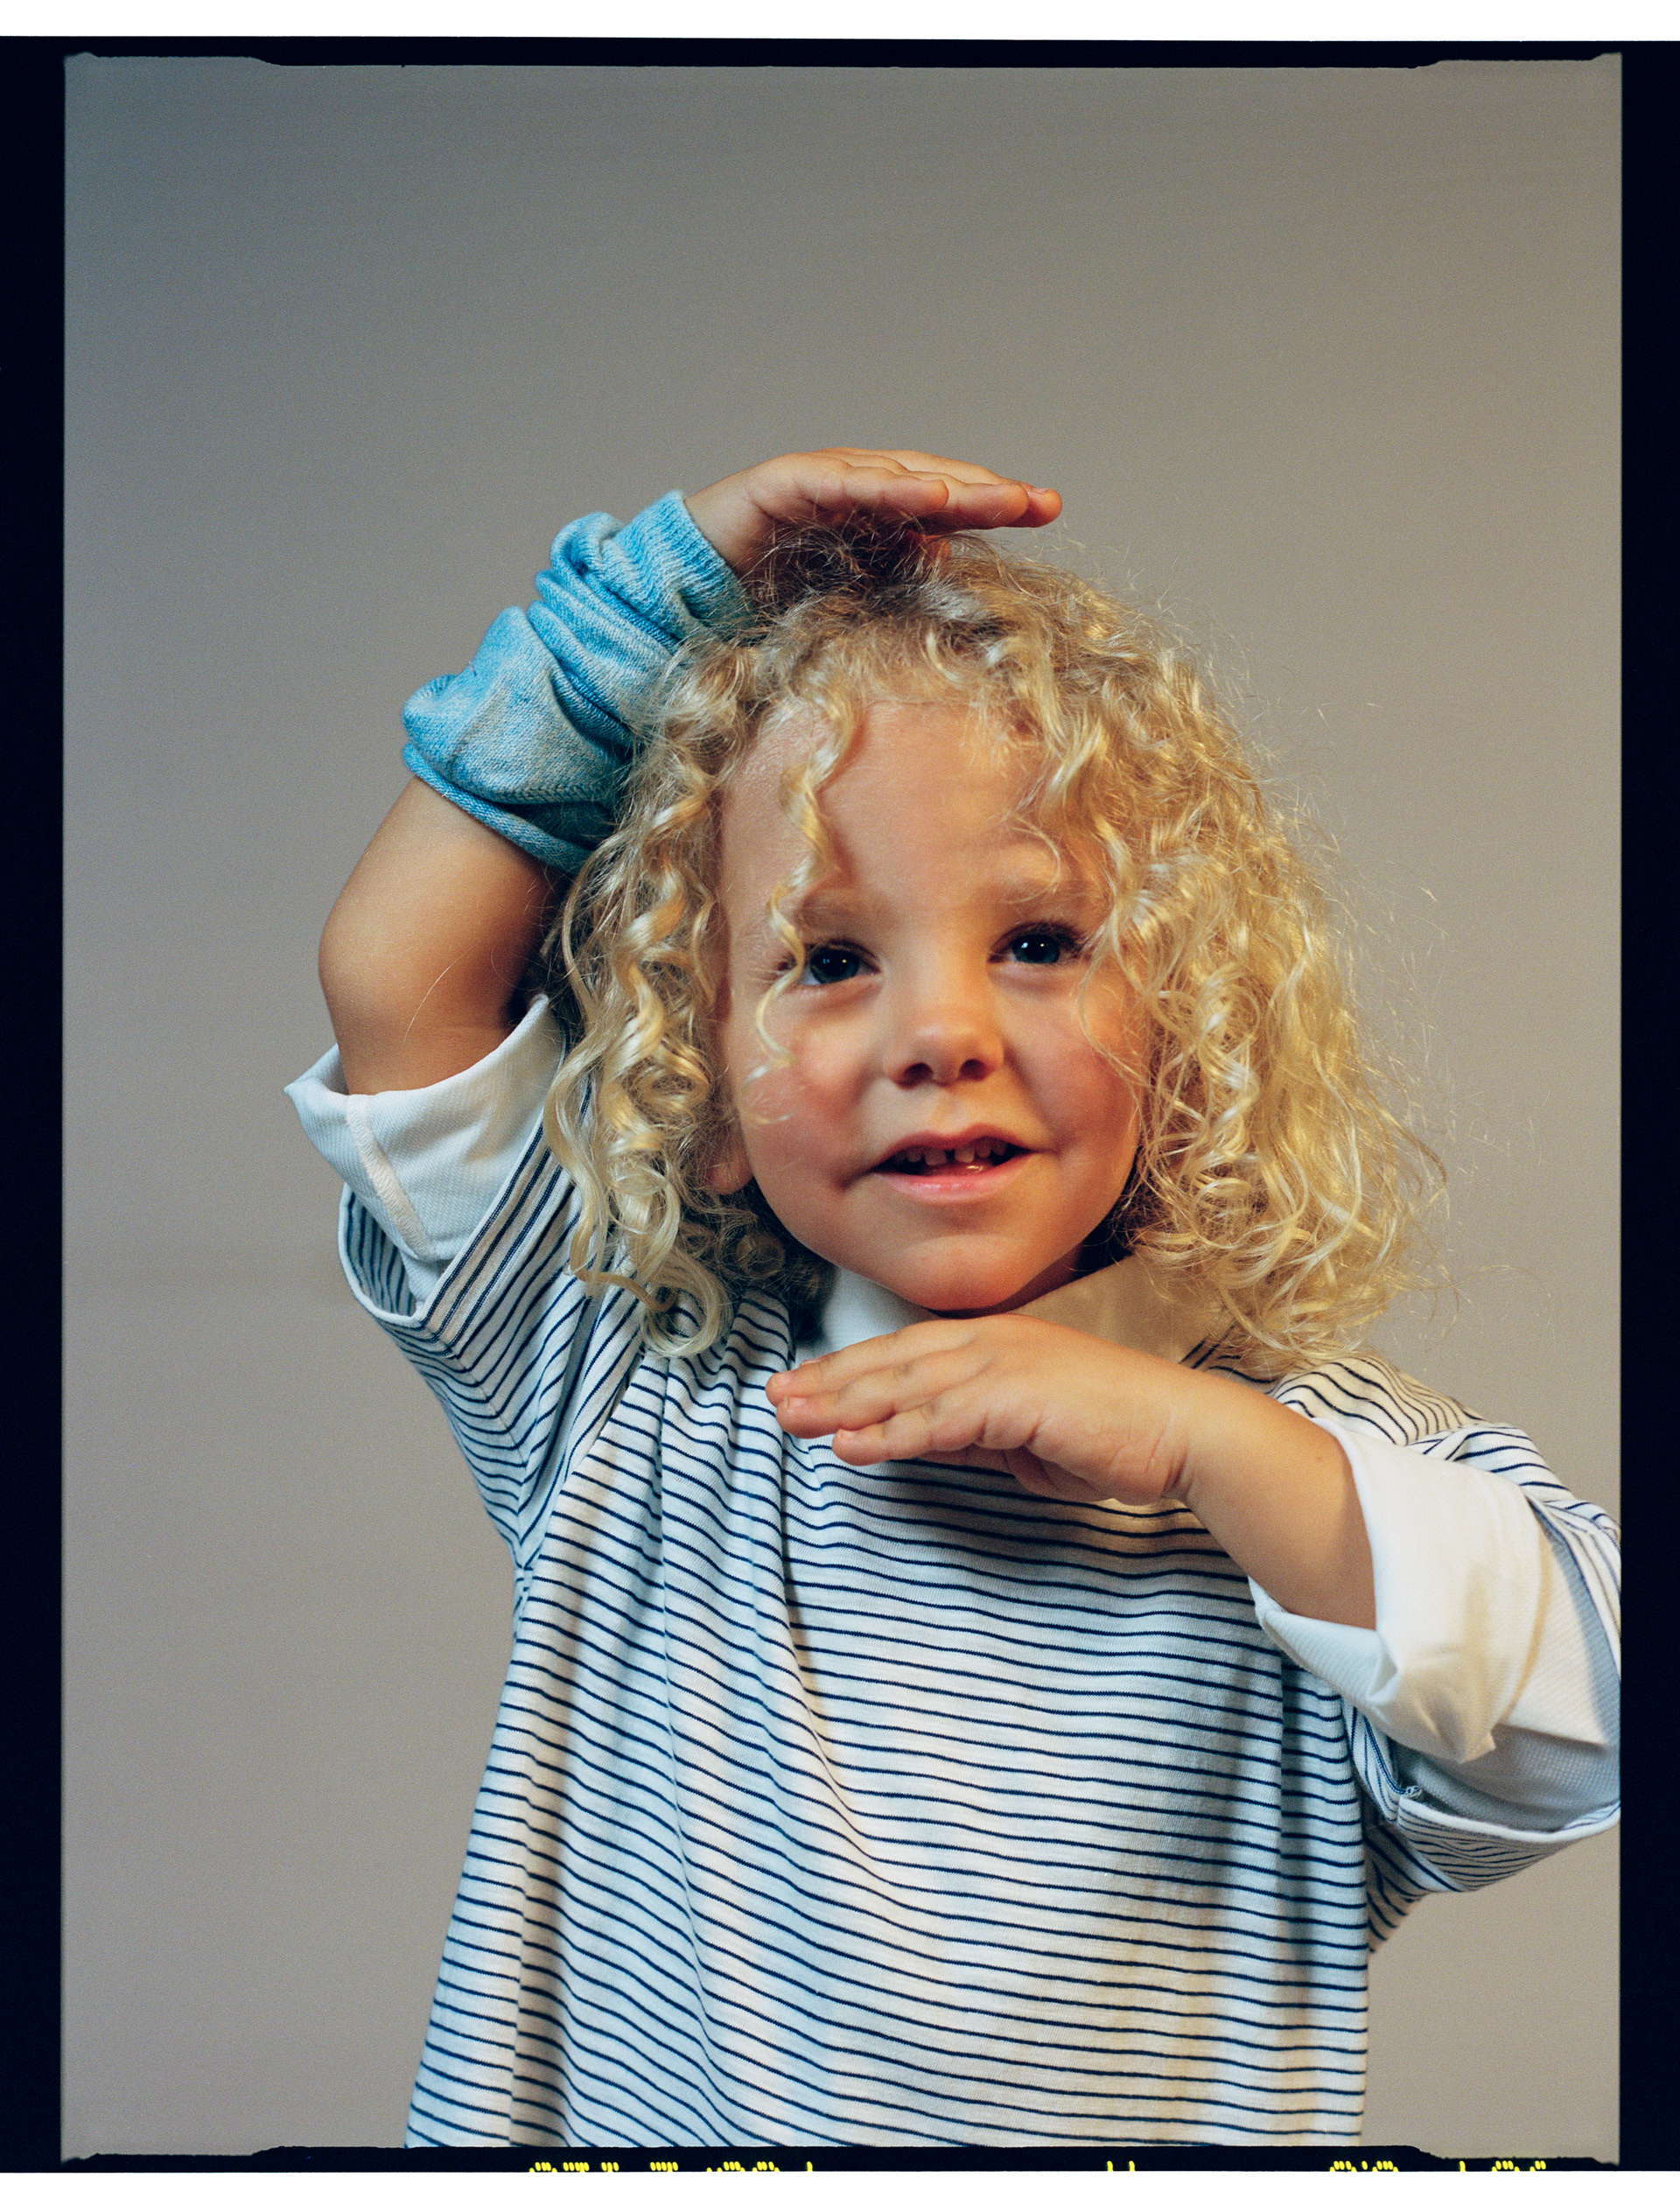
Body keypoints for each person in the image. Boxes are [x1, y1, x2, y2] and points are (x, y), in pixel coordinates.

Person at [287, 449, 1619, 2150]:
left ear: (1188, 1028)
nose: (940, 1032)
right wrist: (658, 594)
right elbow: (396, 981)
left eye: (1040, 942)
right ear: (697, 1080)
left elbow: (1589, 1715)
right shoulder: (620, 1369)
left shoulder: (1309, 1469)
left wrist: (1206, 1444)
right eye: (831, 959)